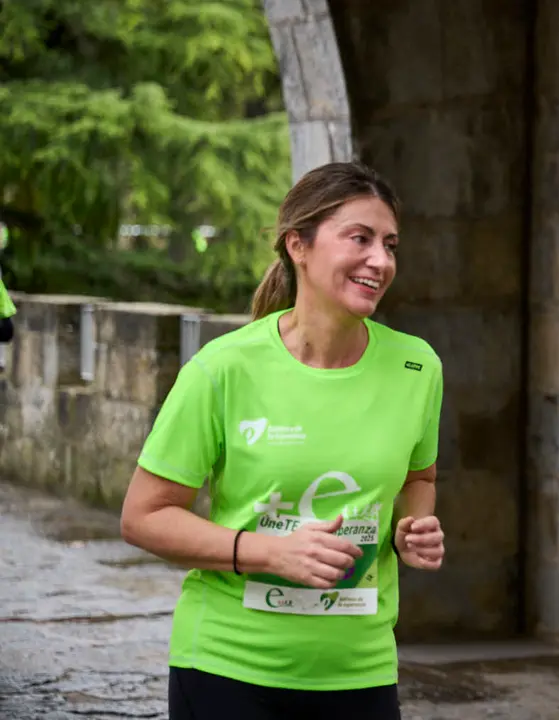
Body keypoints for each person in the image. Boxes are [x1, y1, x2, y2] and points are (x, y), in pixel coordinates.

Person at [120, 162, 446, 720]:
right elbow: (143, 516)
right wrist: (271, 553)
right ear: (299, 244)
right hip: (229, 666)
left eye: (390, 244)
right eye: (360, 239)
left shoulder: (418, 366)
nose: (381, 260)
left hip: (361, 670)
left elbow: (420, 476)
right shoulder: (223, 368)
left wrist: (410, 528)